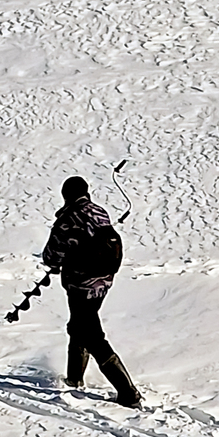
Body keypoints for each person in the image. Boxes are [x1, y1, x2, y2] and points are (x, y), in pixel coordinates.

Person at [42, 174, 141, 406]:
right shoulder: (100, 211)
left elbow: (51, 256)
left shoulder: (67, 219)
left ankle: (128, 392)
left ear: (66, 196)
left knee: (91, 335)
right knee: (79, 325)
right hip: (104, 281)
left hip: (80, 285)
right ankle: (74, 379)